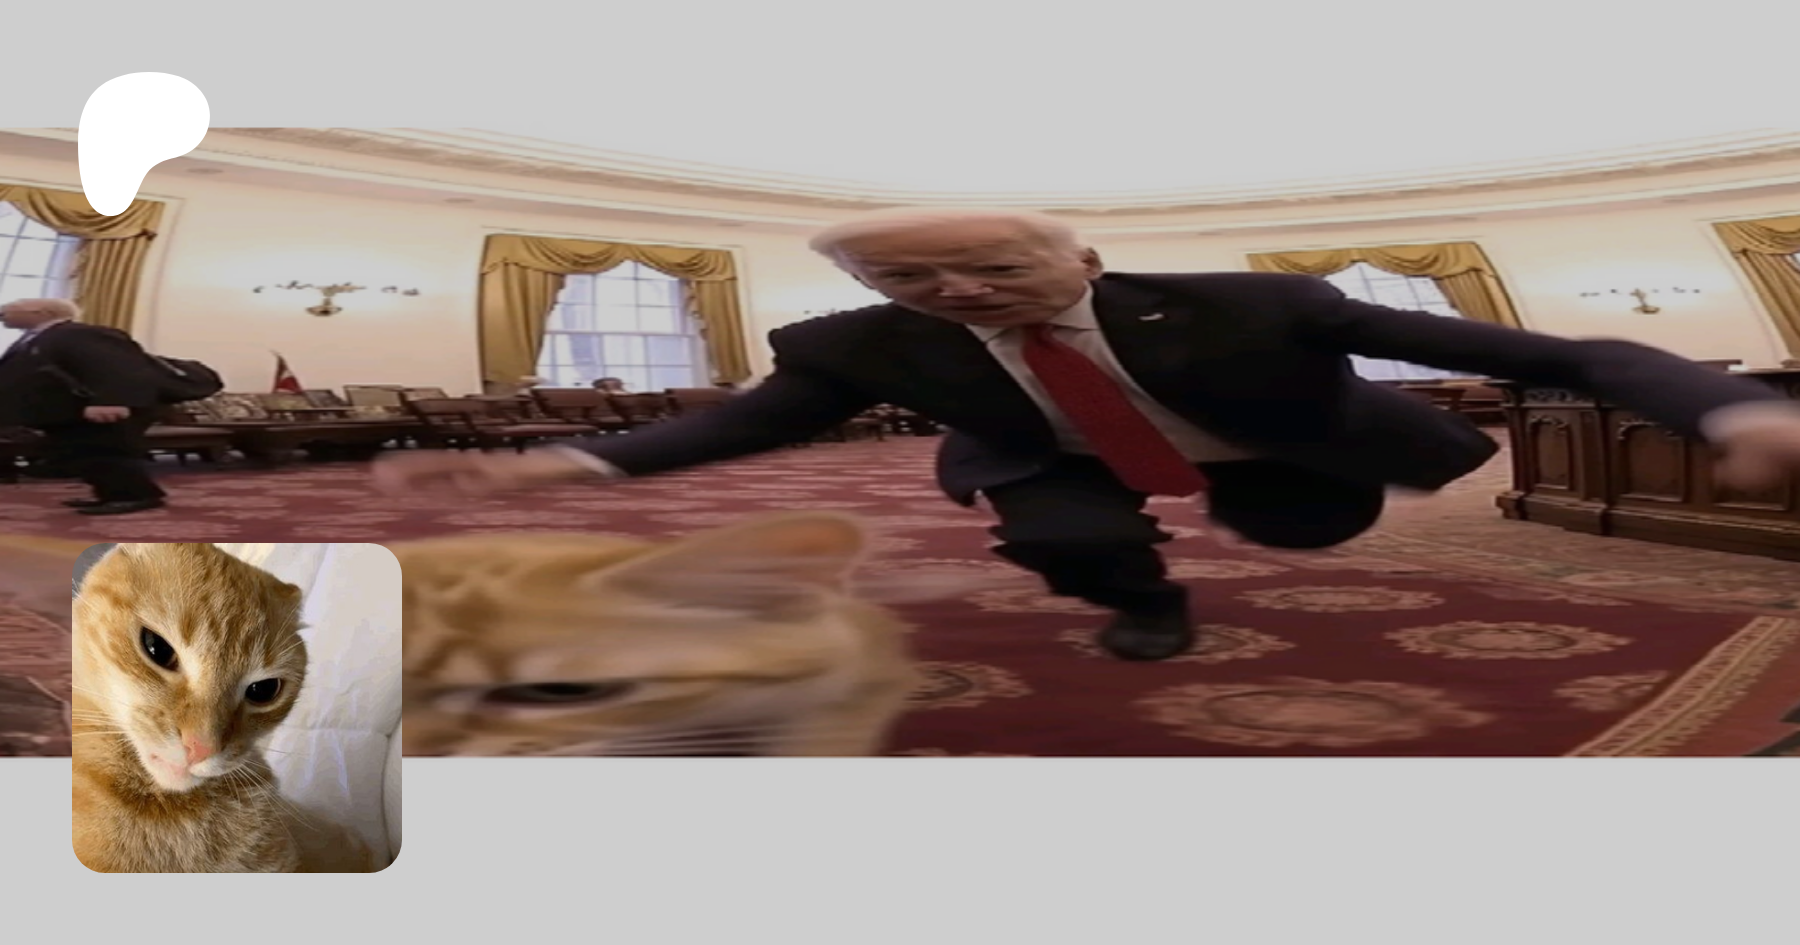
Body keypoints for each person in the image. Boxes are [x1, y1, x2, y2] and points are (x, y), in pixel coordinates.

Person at [373, 208, 1800, 661]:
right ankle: (1145, 596)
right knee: (1065, 542)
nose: (955, 295)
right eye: (912, 278)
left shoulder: (1262, 306)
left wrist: (1735, 408)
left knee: (1301, 531)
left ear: (1080, 257)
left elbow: (1561, 355)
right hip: (1057, 453)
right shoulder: (851, 342)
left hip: (1288, 455)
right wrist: (563, 461)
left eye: (991, 268)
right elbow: (755, 424)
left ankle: (1247, 515)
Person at [0, 298, 170, 515]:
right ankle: (109, 494)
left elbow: (116, 368)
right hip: (67, 411)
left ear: (41, 312)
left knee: (105, 453)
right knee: (84, 454)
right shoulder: (41, 337)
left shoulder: (80, 333)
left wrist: (110, 400)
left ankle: (134, 496)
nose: (2, 316)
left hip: (95, 409)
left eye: (6, 311)